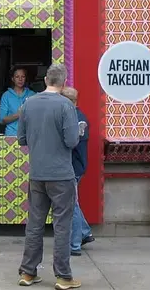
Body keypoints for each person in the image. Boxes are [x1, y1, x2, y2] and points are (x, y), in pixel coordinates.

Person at [17, 64, 81, 290]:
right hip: (61, 175)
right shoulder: (66, 105)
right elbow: (72, 141)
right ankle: (63, 276)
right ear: (64, 82)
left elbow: (21, 139)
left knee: (34, 224)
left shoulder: (28, 103)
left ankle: (28, 272)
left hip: (37, 174)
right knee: (62, 226)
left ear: (45, 80)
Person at [61, 87, 95, 256]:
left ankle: (75, 245)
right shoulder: (79, 116)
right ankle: (85, 232)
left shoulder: (73, 119)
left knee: (71, 206)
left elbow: (69, 144)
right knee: (73, 203)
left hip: (73, 168)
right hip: (78, 166)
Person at [0, 67, 36, 136]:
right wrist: (18, 114)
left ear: (25, 78)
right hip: (11, 135)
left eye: (23, 76)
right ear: (12, 79)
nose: (20, 79)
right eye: (17, 77)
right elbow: (2, 120)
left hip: (29, 135)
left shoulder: (32, 95)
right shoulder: (6, 96)